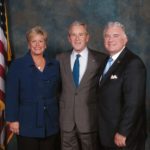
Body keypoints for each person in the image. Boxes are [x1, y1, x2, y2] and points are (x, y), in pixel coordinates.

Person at [5, 26, 60, 150]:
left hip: (50, 121)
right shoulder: (17, 65)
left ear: (45, 45)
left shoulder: (54, 65)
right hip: (26, 122)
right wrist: (12, 119)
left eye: (41, 41)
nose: (37, 44)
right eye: (33, 41)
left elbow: (59, 91)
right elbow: (11, 94)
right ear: (29, 45)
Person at [57, 21, 107, 150]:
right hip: (66, 120)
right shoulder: (60, 59)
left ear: (87, 37)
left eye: (81, 34)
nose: (77, 38)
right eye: (73, 35)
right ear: (69, 38)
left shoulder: (101, 59)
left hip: (89, 119)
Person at [98, 21, 147, 150]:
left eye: (115, 36)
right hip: (107, 132)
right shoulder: (105, 61)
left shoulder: (133, 63)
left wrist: (123, 132)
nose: (110, 40)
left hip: (124, 137)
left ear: (125, 39)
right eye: (107, 36)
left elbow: (134, 102)